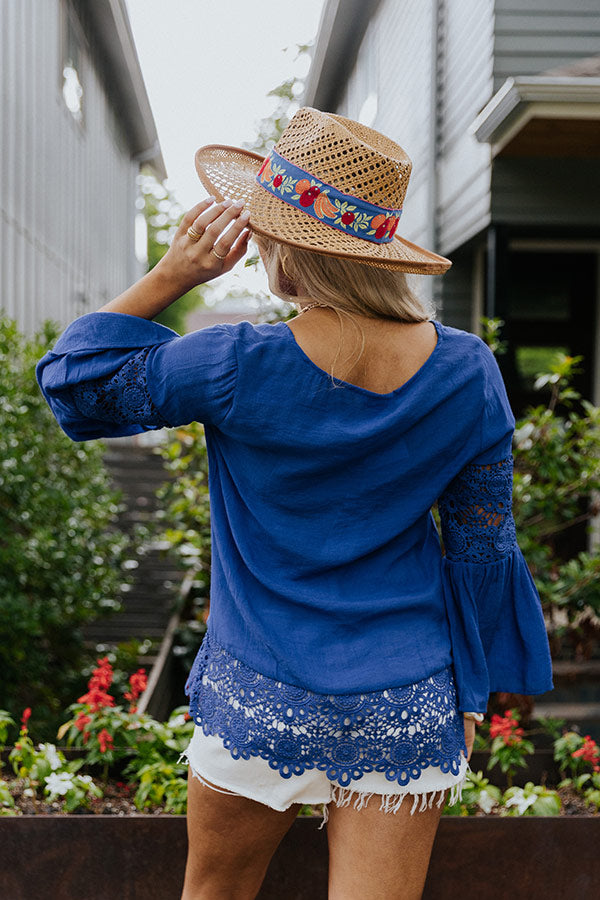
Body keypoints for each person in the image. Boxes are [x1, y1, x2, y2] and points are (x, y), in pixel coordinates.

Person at [37, 107, 553, 899]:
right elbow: (482, 547)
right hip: (407, 698)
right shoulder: (467, 370)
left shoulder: (234, 362)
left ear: (284, 248)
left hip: (258, 693)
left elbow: (73, 386)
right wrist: (474, 692)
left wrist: (173, 273)